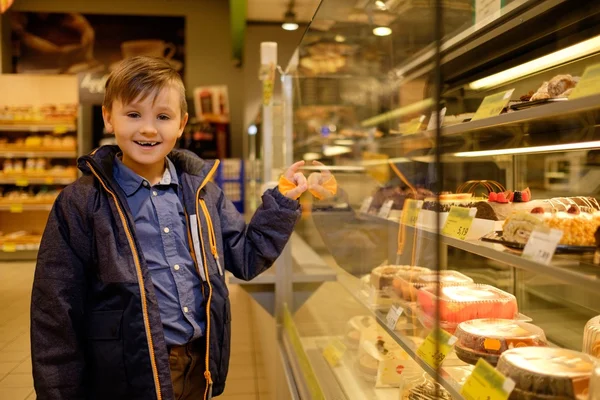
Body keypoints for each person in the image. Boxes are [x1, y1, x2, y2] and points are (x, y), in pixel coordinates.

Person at [30, 56, 324, 400]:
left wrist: (283, 201)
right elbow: (55, 308)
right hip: (126, 369)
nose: (149, 129)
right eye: (134, 114)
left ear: (182, 123)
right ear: (109, 117)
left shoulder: (201, 192)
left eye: (163, 117)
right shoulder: (81, 202)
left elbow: (245, 256)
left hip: (199, 362)